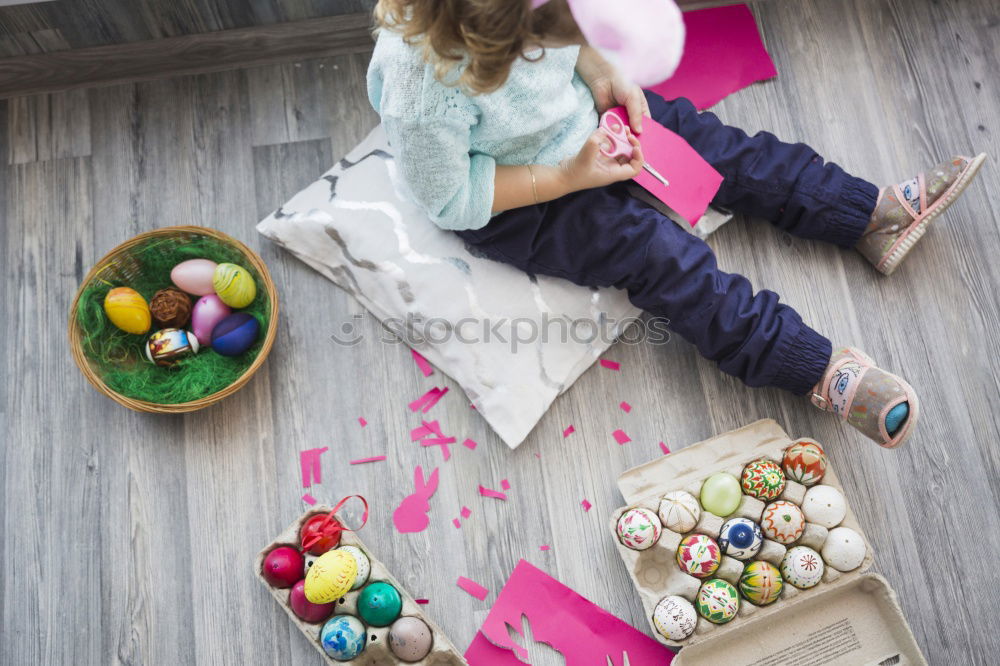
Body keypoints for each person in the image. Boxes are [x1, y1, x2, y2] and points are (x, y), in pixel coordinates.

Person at [366, 0, 985, 448]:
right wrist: (569, 177)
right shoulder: (424, 85)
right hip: (518, 198)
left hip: (583, 119)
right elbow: (451, 200)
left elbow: (579, 41)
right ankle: (814, 369)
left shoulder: (549, 20)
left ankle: (862, 215)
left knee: (723, 149)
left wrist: (608, 77)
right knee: (661, 256)